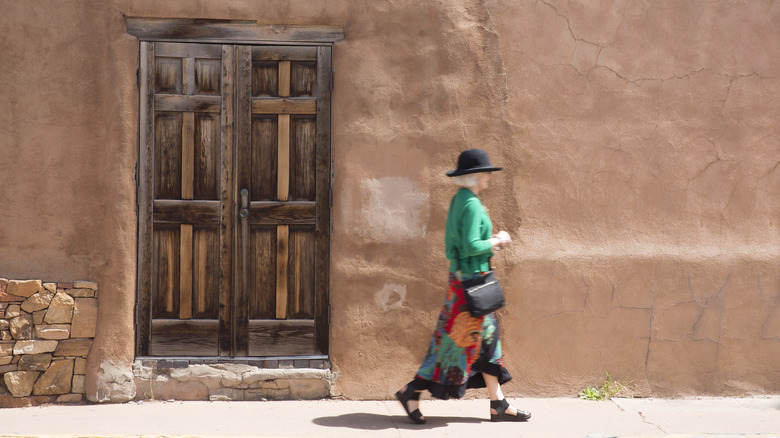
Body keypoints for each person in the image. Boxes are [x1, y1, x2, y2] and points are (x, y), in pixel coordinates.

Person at [395, 148, 531, 424]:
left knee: (488, 342)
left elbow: (452, 248)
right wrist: (497, 240)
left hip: (467, 283)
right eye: (485, 173)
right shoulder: (469, 204)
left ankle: (498, 404)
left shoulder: (461, 200)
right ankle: (411, 391)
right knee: (453, 346)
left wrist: (486, 247)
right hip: (471, 286)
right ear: (474, 176)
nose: (489, 178)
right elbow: (470, 246)